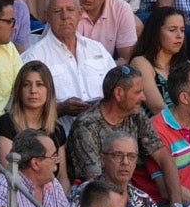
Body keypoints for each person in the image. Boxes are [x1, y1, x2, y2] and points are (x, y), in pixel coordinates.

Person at [66, 64, 171, 192]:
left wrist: (176, 203)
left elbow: (163, 156)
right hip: (97, 200)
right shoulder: (86, 126)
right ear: (119, 93)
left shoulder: (135, 113)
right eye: (138, 92)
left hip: (127, 193)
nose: (144, 97)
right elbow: (94, 183)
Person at [23, 0, 115, 125]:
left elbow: (116, 89)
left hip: (106, 133)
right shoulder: (34, 57)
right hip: (61, 138)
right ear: (47, 16)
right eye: (57, 11)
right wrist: (61, 109)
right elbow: (23, 111)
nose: (65, 16)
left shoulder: (98, 50)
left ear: (79, 13)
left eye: (70, 9)